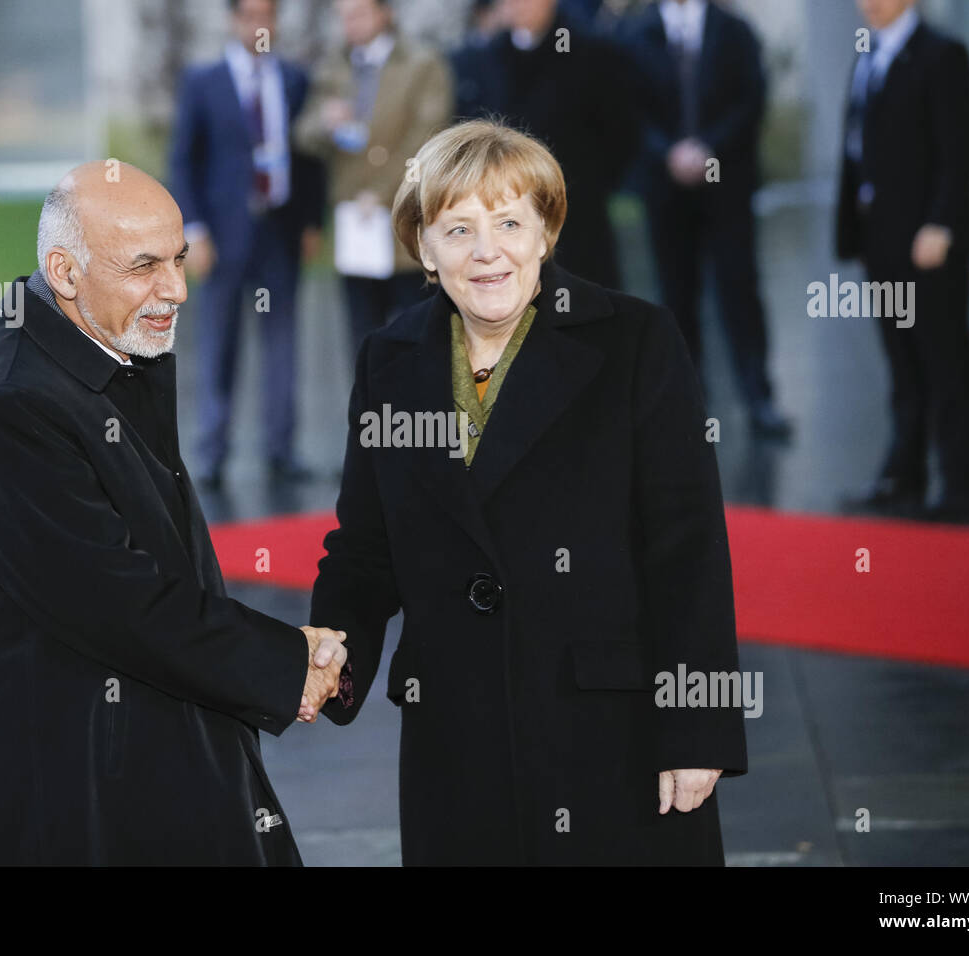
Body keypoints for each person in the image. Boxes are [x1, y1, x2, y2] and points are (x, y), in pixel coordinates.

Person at [307, 120, 747, 865]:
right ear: (423, 245)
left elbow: (688, 550)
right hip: (455, 736)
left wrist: (697, 731)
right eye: (458, 229)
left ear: (546, 231)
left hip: (614, 737)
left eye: (510, 222)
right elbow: (364, 548)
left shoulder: (634, 342)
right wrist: (327, 663)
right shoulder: (390, 360)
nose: (488, 252)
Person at [0, 161, 347, 865]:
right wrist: (287, 661)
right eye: (144, 265)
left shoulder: (107, 350)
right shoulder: (7, 409)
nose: (175, 288)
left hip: (141, 753)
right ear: (66, 271)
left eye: (177, 258)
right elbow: (118, 602)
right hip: (67, 797)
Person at [836, 0, 969, 522]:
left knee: (945, 361)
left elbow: (959, 148)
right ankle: (905, 475)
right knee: (902, 362)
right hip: (883, 242)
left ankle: (960, 484)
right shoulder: (867, 55)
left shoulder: (943, 55)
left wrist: (942, 223)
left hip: (929, 245)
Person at [168, 0, 325, 488]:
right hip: (223, 233)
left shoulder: (296, 80)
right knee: (219, 344)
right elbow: (182, 161)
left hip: (279, 230)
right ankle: (213, 452)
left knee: (283, 343)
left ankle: (281, 451)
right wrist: (193, 231)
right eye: (251, 15)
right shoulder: (203, 81)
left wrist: (311, 223)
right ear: (234, 20)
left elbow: (310, 157)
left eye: (269, 16)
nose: (261, 25)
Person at [623, 0, 791, 437]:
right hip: (665, 188)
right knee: (676, 295)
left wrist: (708, 148)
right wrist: (669, 153)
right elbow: (628, 109)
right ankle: (687, 404)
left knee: (740, 288)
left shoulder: (734, 30)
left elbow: (751, 97)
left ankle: (759, 397)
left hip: (727, 183)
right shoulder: (635, 35)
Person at [293, 0, 452, 355]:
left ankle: (417, 412)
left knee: (419, 335)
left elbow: (428, 141)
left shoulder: (423, 64)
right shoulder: (334, 66)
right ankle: (371, 411)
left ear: (386, 13)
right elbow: (303, 133)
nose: (350, 24)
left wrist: (381, 194)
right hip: (356, 227)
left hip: (408, 225)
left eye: (359, 13)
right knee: (363, 339)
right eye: (344, 16)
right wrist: (326, 123)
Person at [452, 0, 638, 291]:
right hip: (504, 211)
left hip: (578, 212)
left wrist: (591, 183)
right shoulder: (482, 59)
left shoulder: (591, 52)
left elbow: (621, 131)